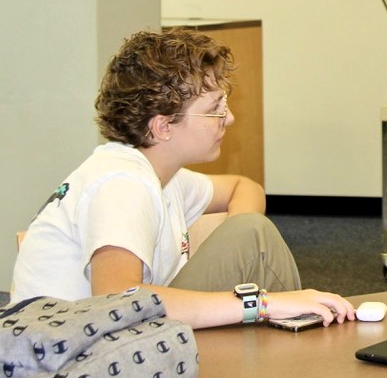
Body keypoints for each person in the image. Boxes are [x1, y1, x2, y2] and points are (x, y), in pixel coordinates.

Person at [11, 29, 355, 329]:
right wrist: (260, 302)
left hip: (99, 346)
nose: (229, 118)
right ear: (163, 126)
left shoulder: (160, 175)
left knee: (250, 230)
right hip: (78, 365)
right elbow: (115, 299)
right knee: (254, 235)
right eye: (215, 109)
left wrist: (239, 259)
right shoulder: (122, 184)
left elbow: (243, 188)